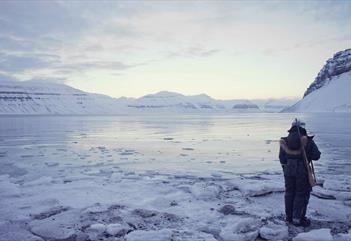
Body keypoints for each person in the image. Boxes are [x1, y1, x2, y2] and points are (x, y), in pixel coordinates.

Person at [279, 119, 321, 227]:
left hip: (288, 171)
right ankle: (298, 218)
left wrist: (287, 167)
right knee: (301, 194)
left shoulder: (284, 141)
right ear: (303, 127)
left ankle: (289, 218)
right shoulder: (307, 141)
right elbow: (316, 156)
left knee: (289, 193)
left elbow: (282, 158)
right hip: (302, 171)